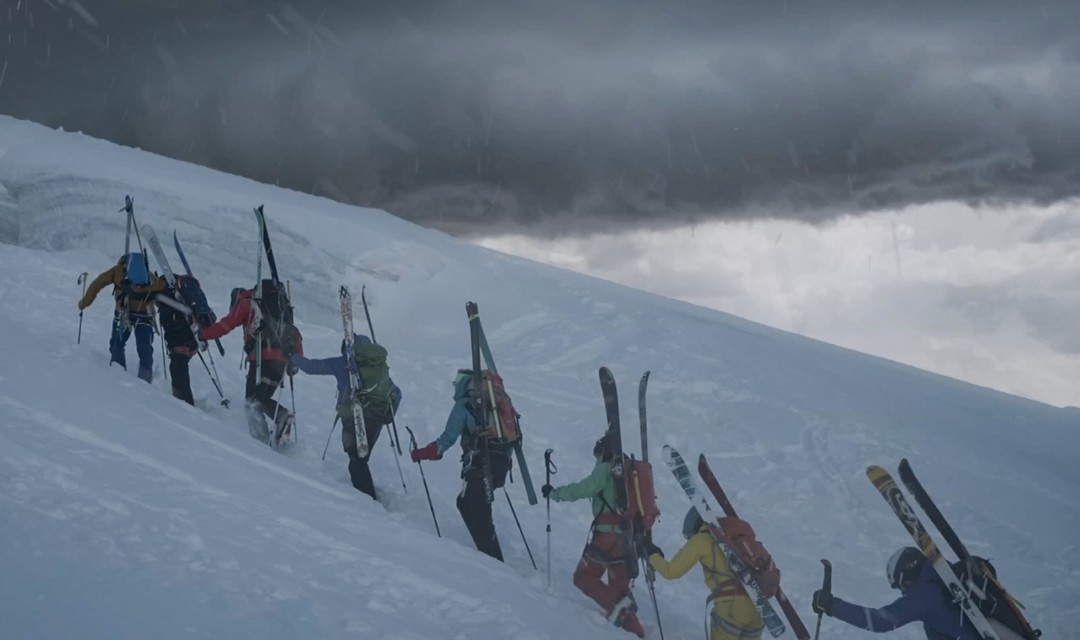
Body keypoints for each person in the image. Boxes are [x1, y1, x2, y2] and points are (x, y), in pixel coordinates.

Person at [540, 432, 645, 638]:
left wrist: (555, 493)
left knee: (583, 577)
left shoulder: (607, 466)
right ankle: (637, 633)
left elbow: (585, 488)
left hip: (607, 538)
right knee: (619, 588)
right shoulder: (630, 470)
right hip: (628, 539)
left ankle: (621, 608)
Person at [410, 369, 513, 562]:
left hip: (480, 465)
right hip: (500, 463)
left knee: (479, 513)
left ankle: (495, 564)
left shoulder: (464, 405)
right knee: (465, 503)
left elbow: (446, 440)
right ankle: (487, 555)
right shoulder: (497, 404)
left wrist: (421, 453)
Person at [289, 334, 402, 500]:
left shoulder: (344, 363)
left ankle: (367, 500)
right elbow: (397, 393)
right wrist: (387, 417)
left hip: (353, 417)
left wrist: (292, 357)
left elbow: (313, 367)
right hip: (376, 419)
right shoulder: (378, 366)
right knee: (361, 460)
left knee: (356, 462)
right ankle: (368, 496)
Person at [198, 281, 302, 446]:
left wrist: (203, 334)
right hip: (281, 362)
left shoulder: (248, 304)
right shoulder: (281, 308)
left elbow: (225, 325)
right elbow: (295, 333)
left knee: (251, 402)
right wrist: (296, 361)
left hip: (262, 358)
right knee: (261, 398)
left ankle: (259, 445)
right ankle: (280, 415)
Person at [811, 546, 980, 640]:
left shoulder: (924, 596)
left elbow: (879, 621)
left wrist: (832, 606)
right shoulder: (943, 577)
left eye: (900, 586)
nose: (903, 592)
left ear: (905, 575)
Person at [645, 509, 764, 640]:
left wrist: (652, 555)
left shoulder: (701, 540)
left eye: (689, 536)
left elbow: (671, 571)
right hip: (757, 607)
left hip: (731, 609)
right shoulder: (729, 537)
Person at [78, 252, 166, 383]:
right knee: (145, 348)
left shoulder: (117, 270)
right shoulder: (148, 275)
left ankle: (117, 378)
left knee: (117, 344)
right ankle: (146, 382)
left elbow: (97, 284)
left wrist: (84, 303)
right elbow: (159, 296)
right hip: (145, 316)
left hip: (123, 315)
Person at [157, 274, 216, 406]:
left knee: (178, 370)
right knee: (180, 369)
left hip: (179, 338)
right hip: (193, 338)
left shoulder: (167, 292)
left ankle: (184, 406)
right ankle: (184, 403)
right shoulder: (186, 292)